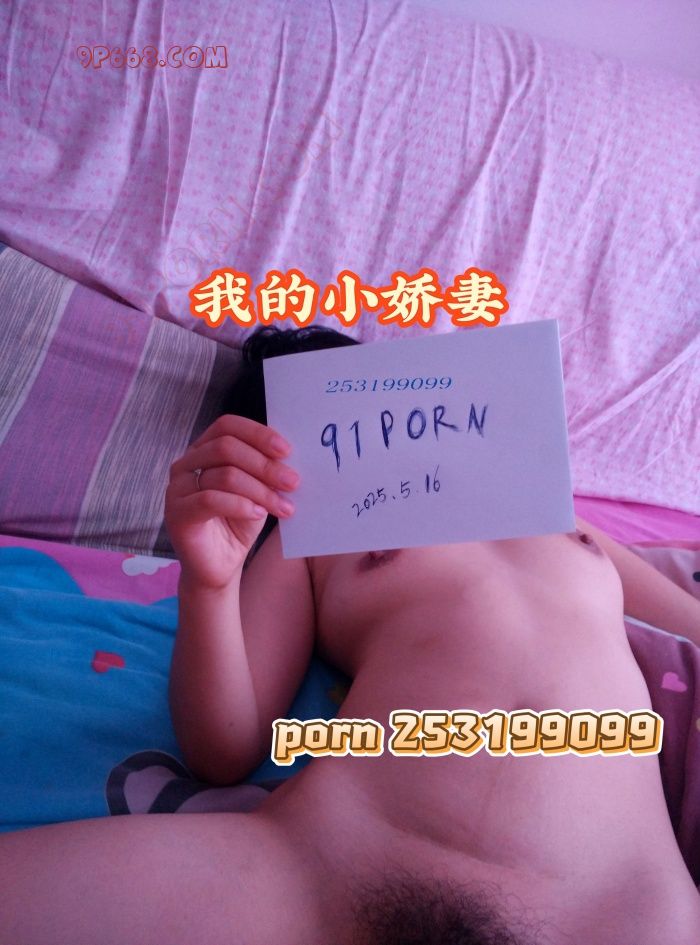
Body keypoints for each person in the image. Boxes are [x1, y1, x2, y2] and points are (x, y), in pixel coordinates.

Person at [2, 326, 700, 945]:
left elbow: (687, 621)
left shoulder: (552, 504)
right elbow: (222, 749)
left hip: (622, 907)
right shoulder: (315, 539)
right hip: (336, 866)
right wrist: (209, 584)